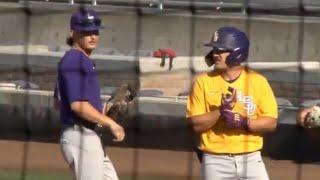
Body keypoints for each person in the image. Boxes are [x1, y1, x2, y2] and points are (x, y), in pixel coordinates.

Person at [186, 26, 278, 180]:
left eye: (220, 50)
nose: (215, 54)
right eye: (214, 50)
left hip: (251, 159)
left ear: (237, 52)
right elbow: (194, 124)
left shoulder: (257, 82)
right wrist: (220, 112)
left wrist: (244, 122)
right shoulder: (203, 82)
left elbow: (271, 123)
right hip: (215, 160)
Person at [54, 8, 124, 180]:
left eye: (95, 31)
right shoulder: (74, 60)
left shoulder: (80, 60)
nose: (92, 36)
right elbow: (77, 106)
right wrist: (110, 123)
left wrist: (103, 111)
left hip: (87, 136)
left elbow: (58, 103)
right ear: (73, 32)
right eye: (86, 31)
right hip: (80, 137)